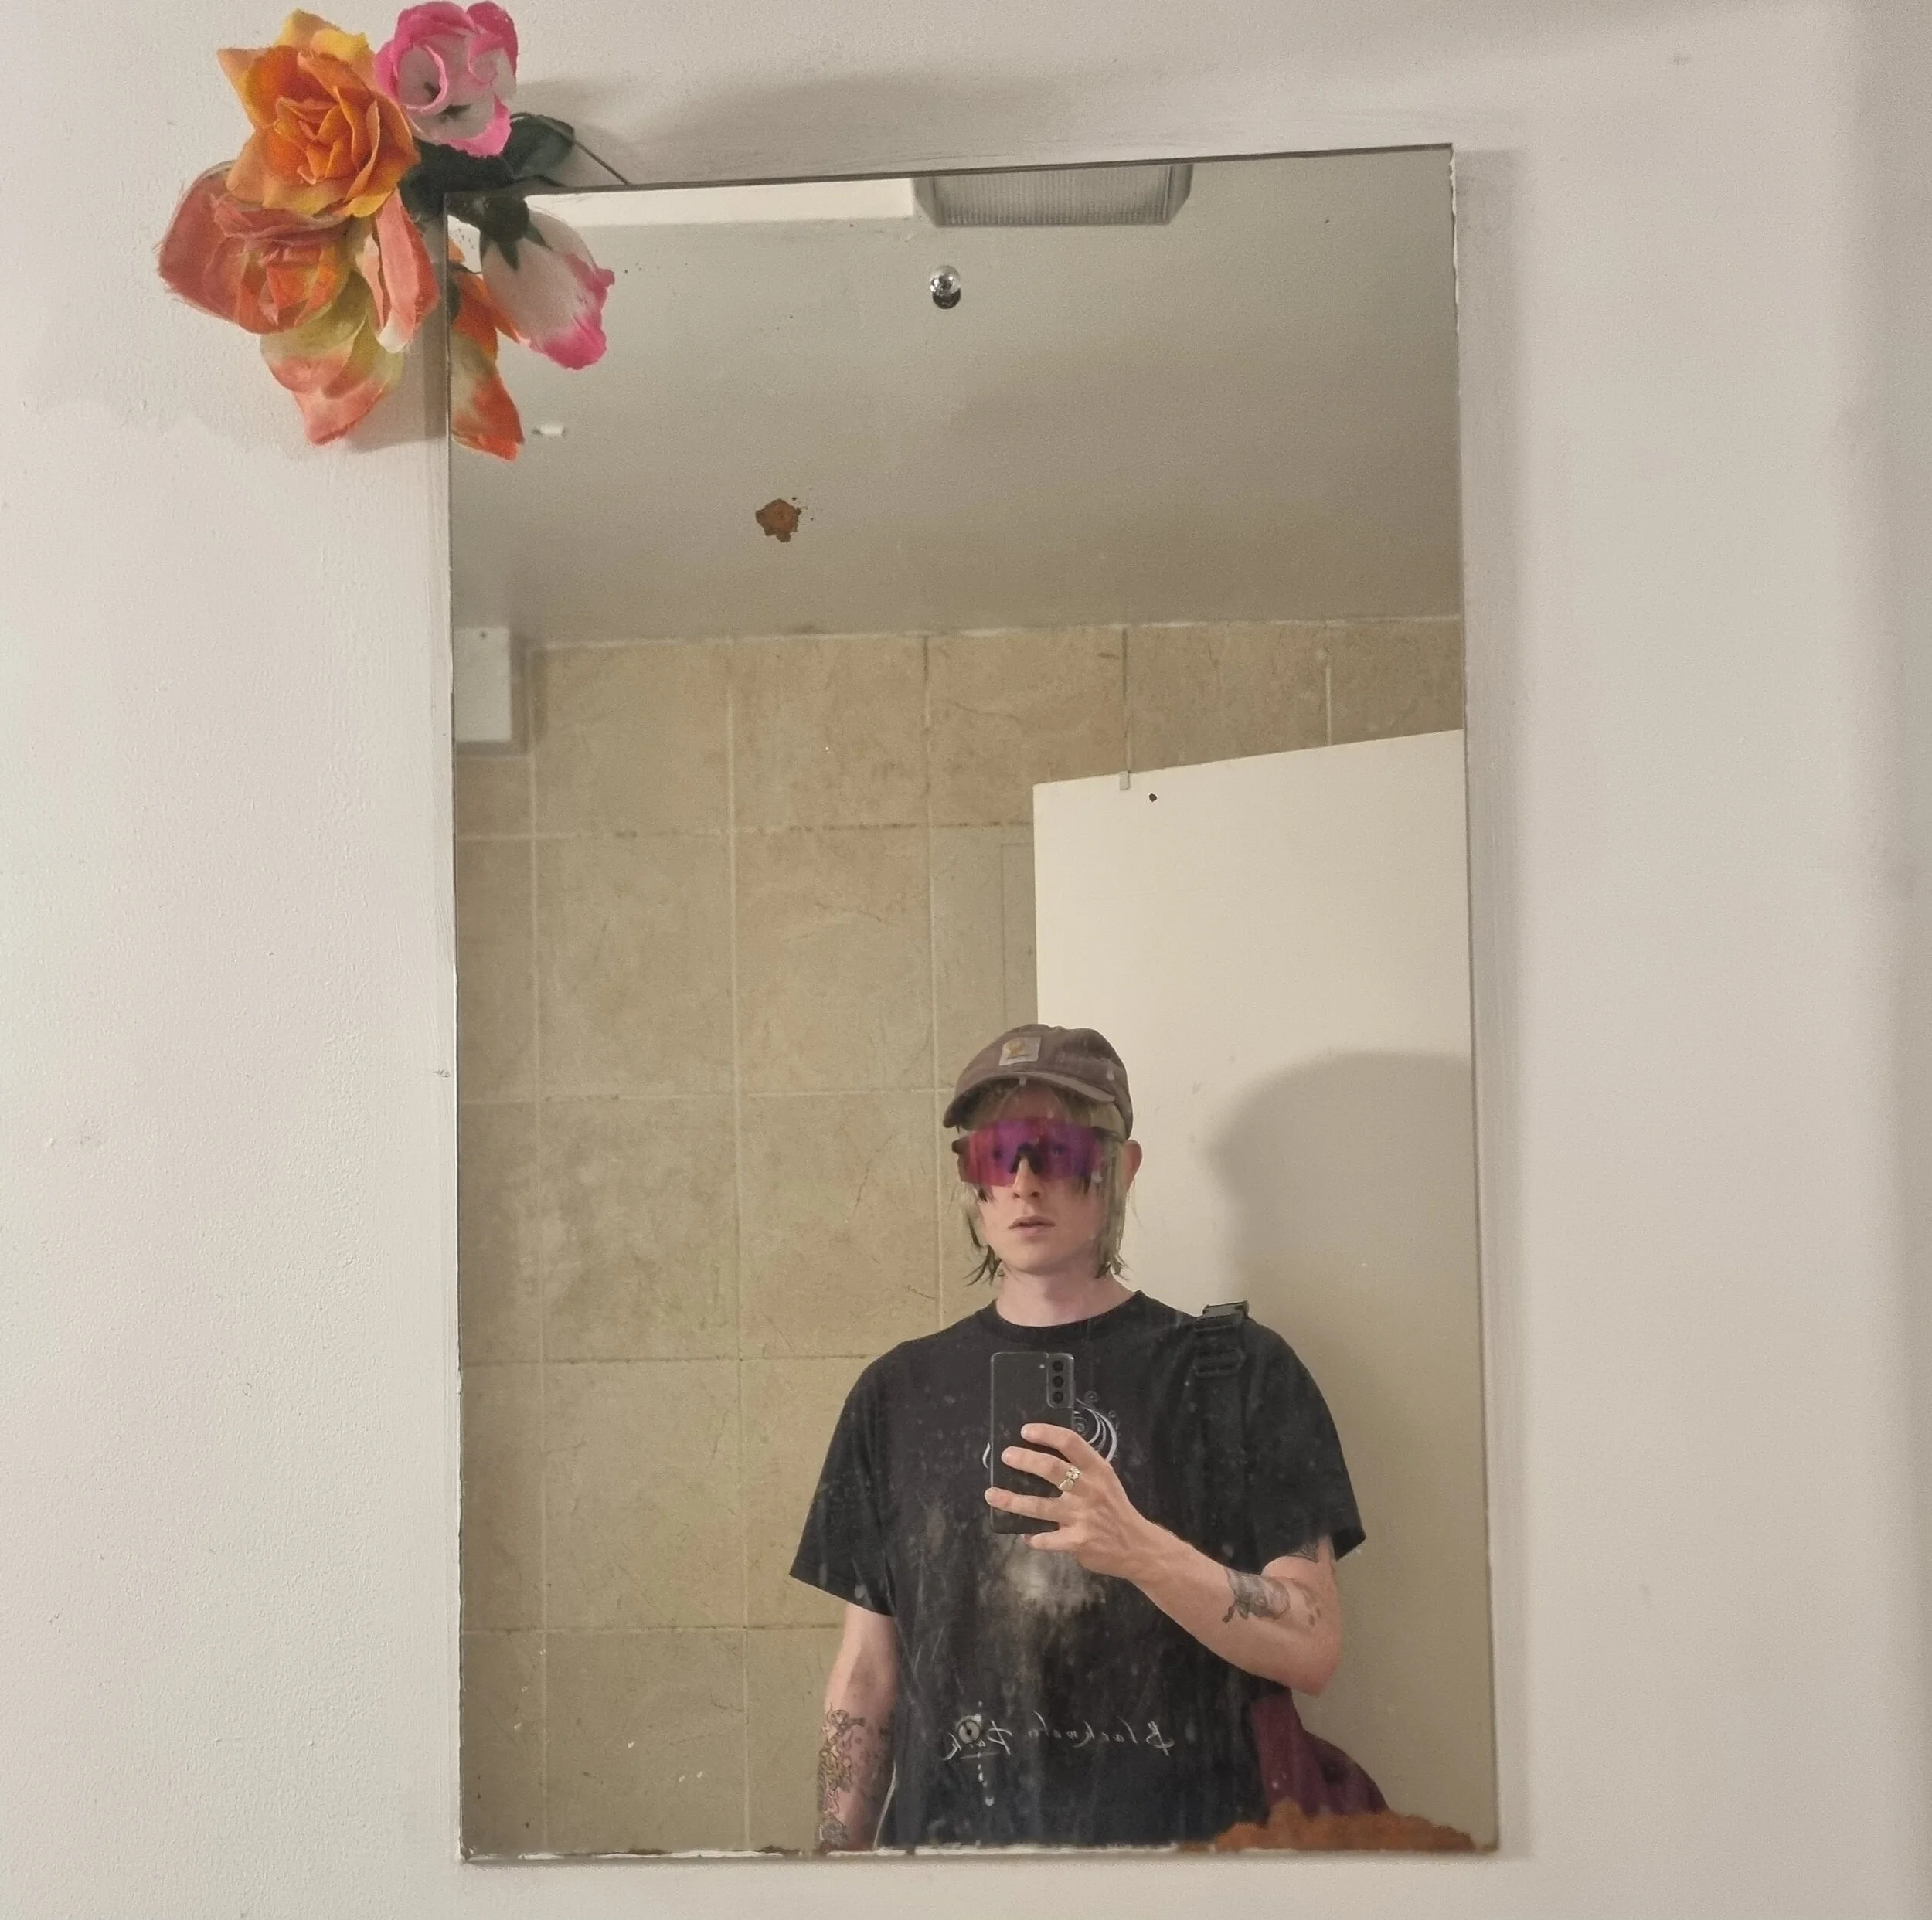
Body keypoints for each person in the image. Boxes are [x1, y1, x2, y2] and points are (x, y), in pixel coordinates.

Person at [790, 1023, 1363, 1850]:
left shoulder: (1236, 1373)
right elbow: (866, 1674)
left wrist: (1140, 1549)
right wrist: (830, 1875)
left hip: (1188, 1877)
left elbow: (1313, 1645)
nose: (1025, 1181)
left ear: (1121, 1167)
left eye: (1055, 1149)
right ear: (969, 1177)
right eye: (995, 1153)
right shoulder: (895, 1393)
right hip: (949, 1879)